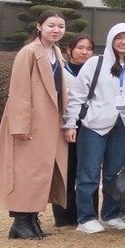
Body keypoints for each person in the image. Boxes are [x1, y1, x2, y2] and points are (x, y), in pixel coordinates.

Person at [64, 23, 125, 234]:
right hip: (95, 124)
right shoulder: (95, 63)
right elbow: (78, 95)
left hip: (124, 125)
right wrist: (70, 122)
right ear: (111, 39)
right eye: (118, 37)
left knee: (115, 174)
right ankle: (86, 217)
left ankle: (111, 214)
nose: (123, 42)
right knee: (89, 173)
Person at [0, 12, 70, 239]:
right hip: (29, 123)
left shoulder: (56, 52)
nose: (56, 30)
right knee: (25, 173)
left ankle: (31, 219)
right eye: (51, 25)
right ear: (39, 26)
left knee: (40, 173)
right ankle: (20, 222)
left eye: (60, 26)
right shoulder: (28, 52)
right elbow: (19, 91)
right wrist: (20, 126)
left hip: (49, 124)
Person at [52, 35, 94, 228]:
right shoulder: (60, 71)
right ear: (69, 50)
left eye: (89, 49)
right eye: (80, 48)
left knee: (88, 172)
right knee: (66, 171)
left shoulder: (96, 70)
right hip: (64, 127)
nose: (84, 52)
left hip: (90, 127)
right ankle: (63, 216)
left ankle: (87, 213)